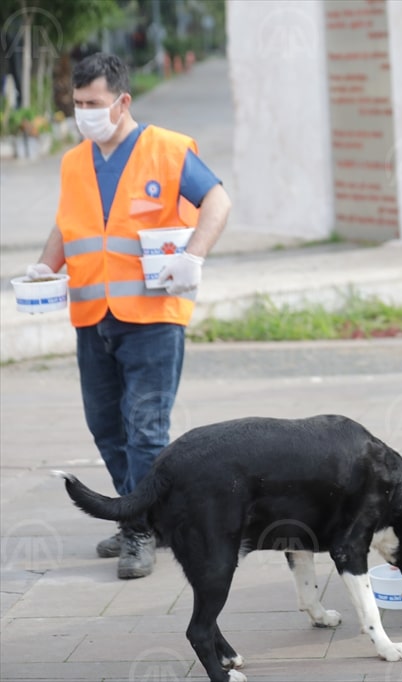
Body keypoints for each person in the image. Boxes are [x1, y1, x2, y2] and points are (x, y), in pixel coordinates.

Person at [24, 53, 231, 578]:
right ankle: (141, 518)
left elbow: (218, 202)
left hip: (153, 316)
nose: (84, 113)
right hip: (93, 316)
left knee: (144, 430)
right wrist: (47, 267)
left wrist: (194, 257)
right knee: (105, 427)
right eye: (77, 104)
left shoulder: (167, 149)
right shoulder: (75, 162)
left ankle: (140, 530)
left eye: (94, 104)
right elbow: (68, 225)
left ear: (122, 102)